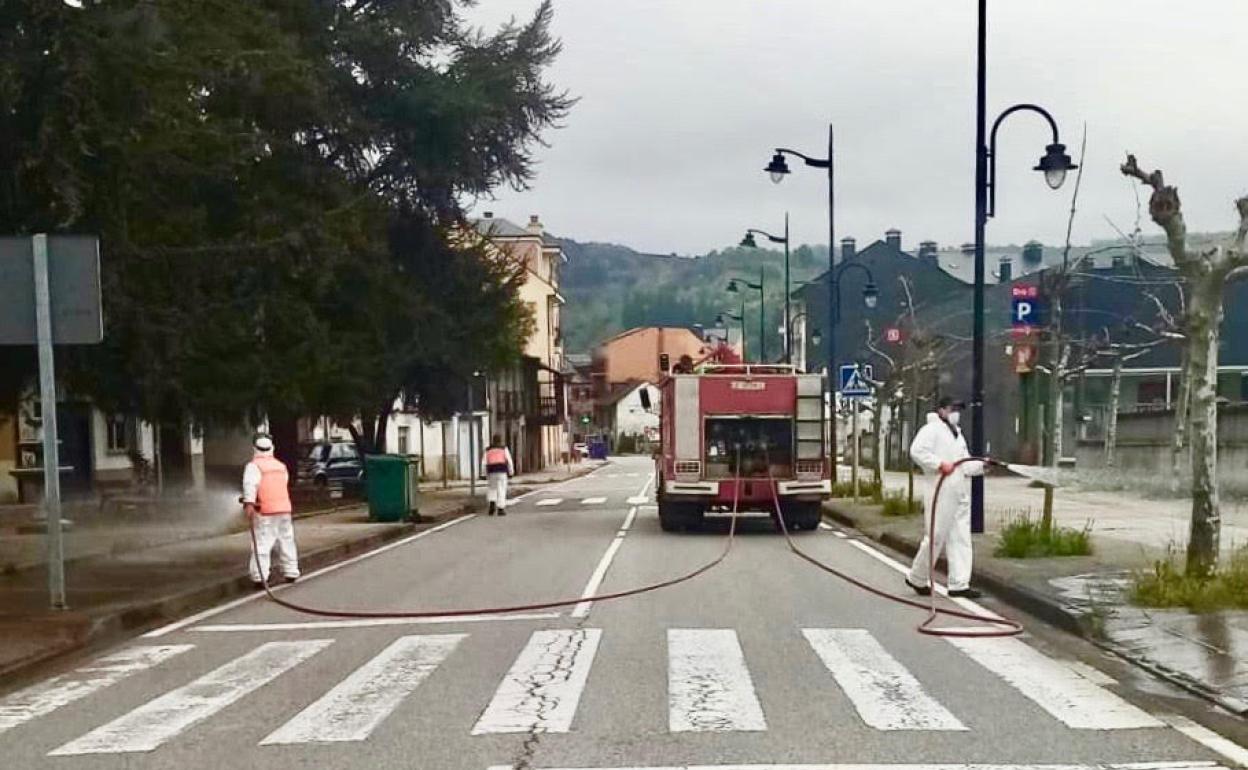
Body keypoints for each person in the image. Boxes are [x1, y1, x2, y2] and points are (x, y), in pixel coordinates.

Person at [905, 396, 984, 599]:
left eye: (958, 409)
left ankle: (959, 584)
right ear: (941, 410)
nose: (956, 413)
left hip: (958, 491)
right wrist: (939, 464)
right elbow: (917, 451)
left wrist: (982, 466)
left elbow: (963, 463)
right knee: (936, 535)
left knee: (960, 537)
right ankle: (917, 577)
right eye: (953, 408)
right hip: (939, 491)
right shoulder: (931, 430)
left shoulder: (957, 434)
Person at [242, 434, 300, 588]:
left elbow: (250, 485)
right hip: (284, 509)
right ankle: (291, 571)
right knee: (286, 541)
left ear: (255, 448)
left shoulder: (253, 466)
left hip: (265, 511)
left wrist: (249, 503)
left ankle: (259, 577)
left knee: (262, 544)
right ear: (271, 447)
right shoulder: (280, 466)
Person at [480, 435, 515, 516]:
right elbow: (509, 461)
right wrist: (511, 472)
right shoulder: (503, 448)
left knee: (492, 488)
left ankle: (492, 503)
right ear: (500, 440)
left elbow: (484, 463)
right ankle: (500, 508)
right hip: (502, 470)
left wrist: (483, 474)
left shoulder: (488, 450)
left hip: (491, 471)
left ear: (493, 440)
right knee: (501, 489)